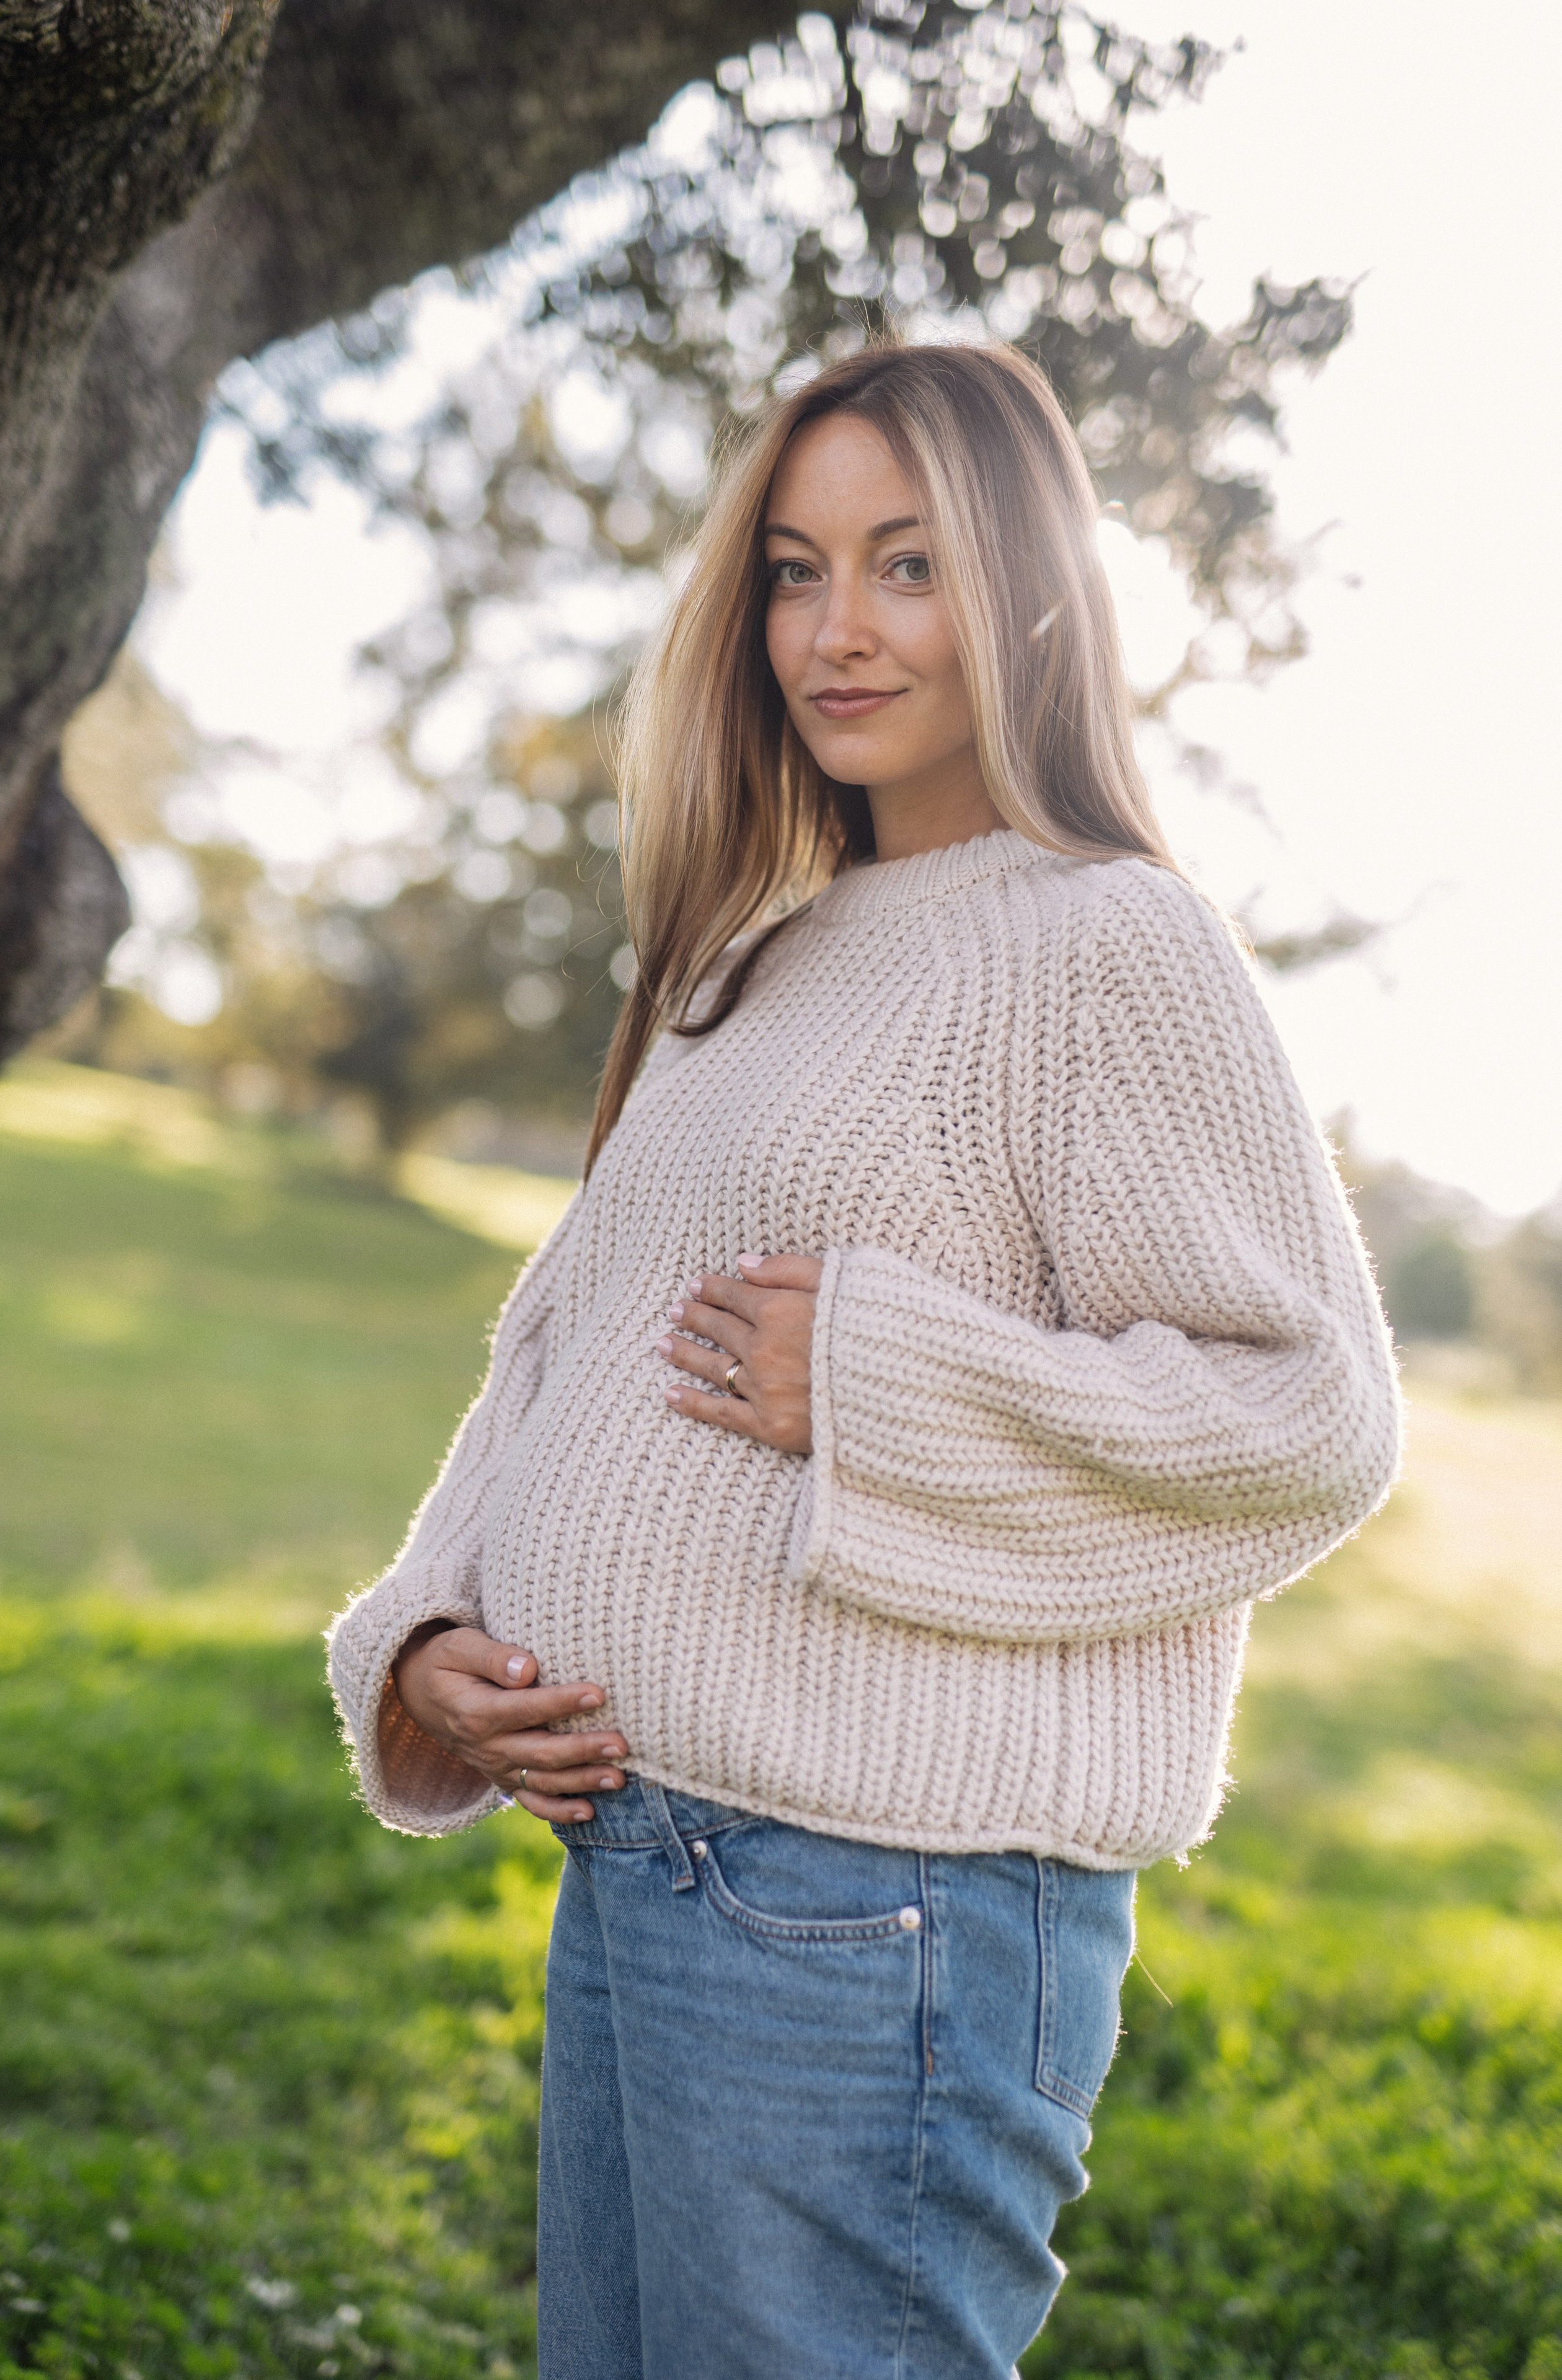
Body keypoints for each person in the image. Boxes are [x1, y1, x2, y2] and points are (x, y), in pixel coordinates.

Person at [328, 340, 1400, 2379]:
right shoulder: (757, 948)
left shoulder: (1107, 943)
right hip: (650, 1856)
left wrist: (886, 1393)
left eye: (906, 566)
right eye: (796, 571)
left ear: (1031, 589)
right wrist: (432, 1625)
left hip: (873, 1913)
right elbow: (566, 1331)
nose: (836, 631)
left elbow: (1308, 1418)